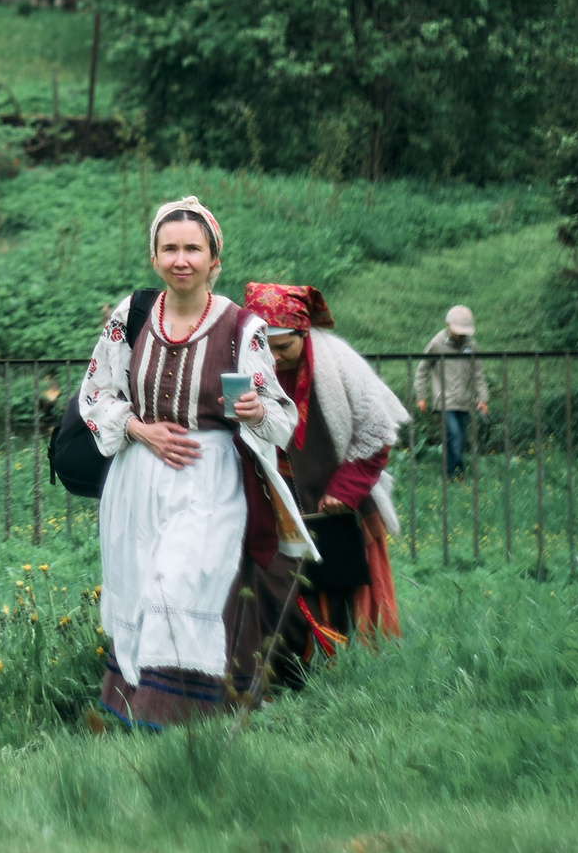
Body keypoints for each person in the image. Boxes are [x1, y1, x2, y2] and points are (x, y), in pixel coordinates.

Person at [77, 197, 315, 727]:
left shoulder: (242, 328)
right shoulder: (131, 315)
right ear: (155, 257)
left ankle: (175, 717)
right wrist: (140, 429)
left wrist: (253, 409)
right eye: (170, 248)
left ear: (215, 261)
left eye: (192, 249)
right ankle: (137, 709)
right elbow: (95, 395)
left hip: (210, 481)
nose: (180, 259)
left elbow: (281, 418)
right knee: (141, 590)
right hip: (138, 479)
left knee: (178, 581)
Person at [242, 283, 405, 682]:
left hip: (338, 505)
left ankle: (347, 669)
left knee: (342, 584)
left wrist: (344, 490)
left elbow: (376, 433)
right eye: (268, 348)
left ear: (304, 333)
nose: (275, 358)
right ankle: (286, 670)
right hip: (279, 498)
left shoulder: (340, 365)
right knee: (283, 584)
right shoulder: (248, 364)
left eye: (284, 348)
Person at [413, 305, 490, 478]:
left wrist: (483, 399)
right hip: (443, 401)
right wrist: (421, 397)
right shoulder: (437, 343)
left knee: (459, 440)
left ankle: (449, 473)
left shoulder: (471, 345)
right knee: (454, 435)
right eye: (457, 331)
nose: (460, 336)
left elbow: (478, 374)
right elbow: (421, 370)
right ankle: (457, 475)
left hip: (464, 401)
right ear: (448, 325)